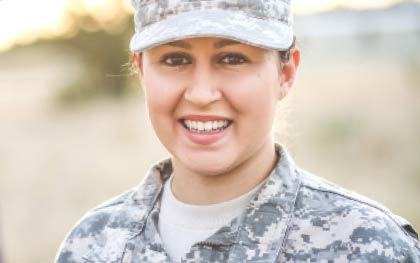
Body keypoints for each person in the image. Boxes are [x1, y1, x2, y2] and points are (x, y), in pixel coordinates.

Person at [55, 1, 420, 262]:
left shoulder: (366, 245)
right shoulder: (94, 244)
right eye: (175, 59)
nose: (201, 94)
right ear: (141, 71)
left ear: (286, 73)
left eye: (233, 58)